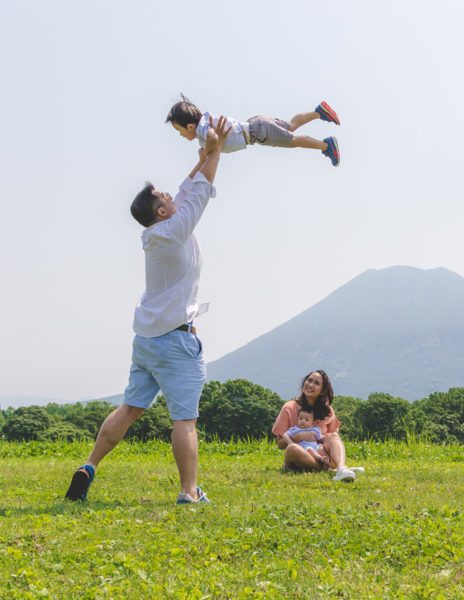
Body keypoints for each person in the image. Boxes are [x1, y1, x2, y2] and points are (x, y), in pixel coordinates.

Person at [65, 116, 232, 505]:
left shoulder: (156, 233)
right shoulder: (175, 230)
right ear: (161, 212)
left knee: (129, 408)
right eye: (165, 198)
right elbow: (201, 190)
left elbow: (189, 186)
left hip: (146, 340)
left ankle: (89, 465)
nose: (172, 197)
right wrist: (218, 148)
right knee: (184, 420)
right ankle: (189, 491)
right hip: (175, 340)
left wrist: (205, 152)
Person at [165, 94, 341, 167]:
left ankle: (326, 146)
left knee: (293, 141)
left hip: (257, 132)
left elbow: (212, 137)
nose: (181, 135)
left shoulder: (204, 129)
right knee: (291, 125)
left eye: (180, 131)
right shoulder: (204, 126)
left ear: (190, 126)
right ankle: (319, 112)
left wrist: (207, 152)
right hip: (256, 125)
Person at [272, 370, 364, 482]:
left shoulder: (328, 411)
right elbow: (280, 445)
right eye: (309, 380)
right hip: (298, 458)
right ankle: (331, 470)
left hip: (322, 457)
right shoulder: (289, 407)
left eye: (316, 383)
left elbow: (331, 440)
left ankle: (341, 468)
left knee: (333, 435)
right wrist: (299, 437)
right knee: (292, 448)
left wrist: (320, 440)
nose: (310, 385)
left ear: (322, 391)